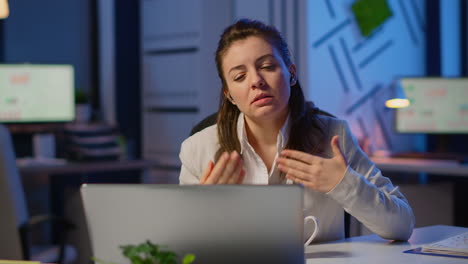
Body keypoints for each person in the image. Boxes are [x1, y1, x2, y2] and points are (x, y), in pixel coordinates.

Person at [179, 18, 414, 243]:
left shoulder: (334, 135)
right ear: (229, 95)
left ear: (291, 73)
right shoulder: (199, 149)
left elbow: (402, 225)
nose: (256, 81)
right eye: (240, 76)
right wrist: (205, 211)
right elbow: (180, 246)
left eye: (267, 66)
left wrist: (343, 183)